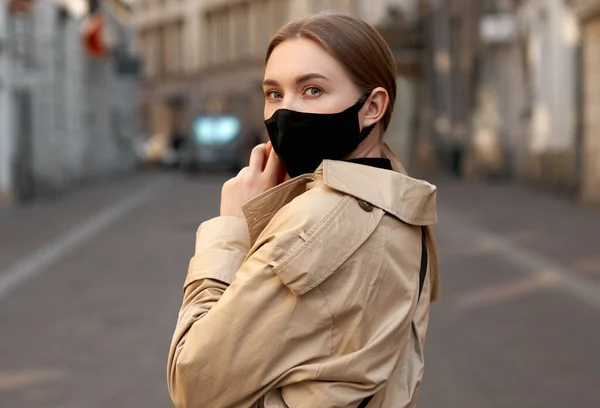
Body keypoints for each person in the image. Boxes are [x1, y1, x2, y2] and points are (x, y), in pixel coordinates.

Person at [167, 11, 439, 408]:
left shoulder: (317, 222)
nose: (284, 112)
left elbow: (192, 381)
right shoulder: (398, 203)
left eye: (312, 90)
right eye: (274, 93)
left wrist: (230, 227)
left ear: (372, 107)